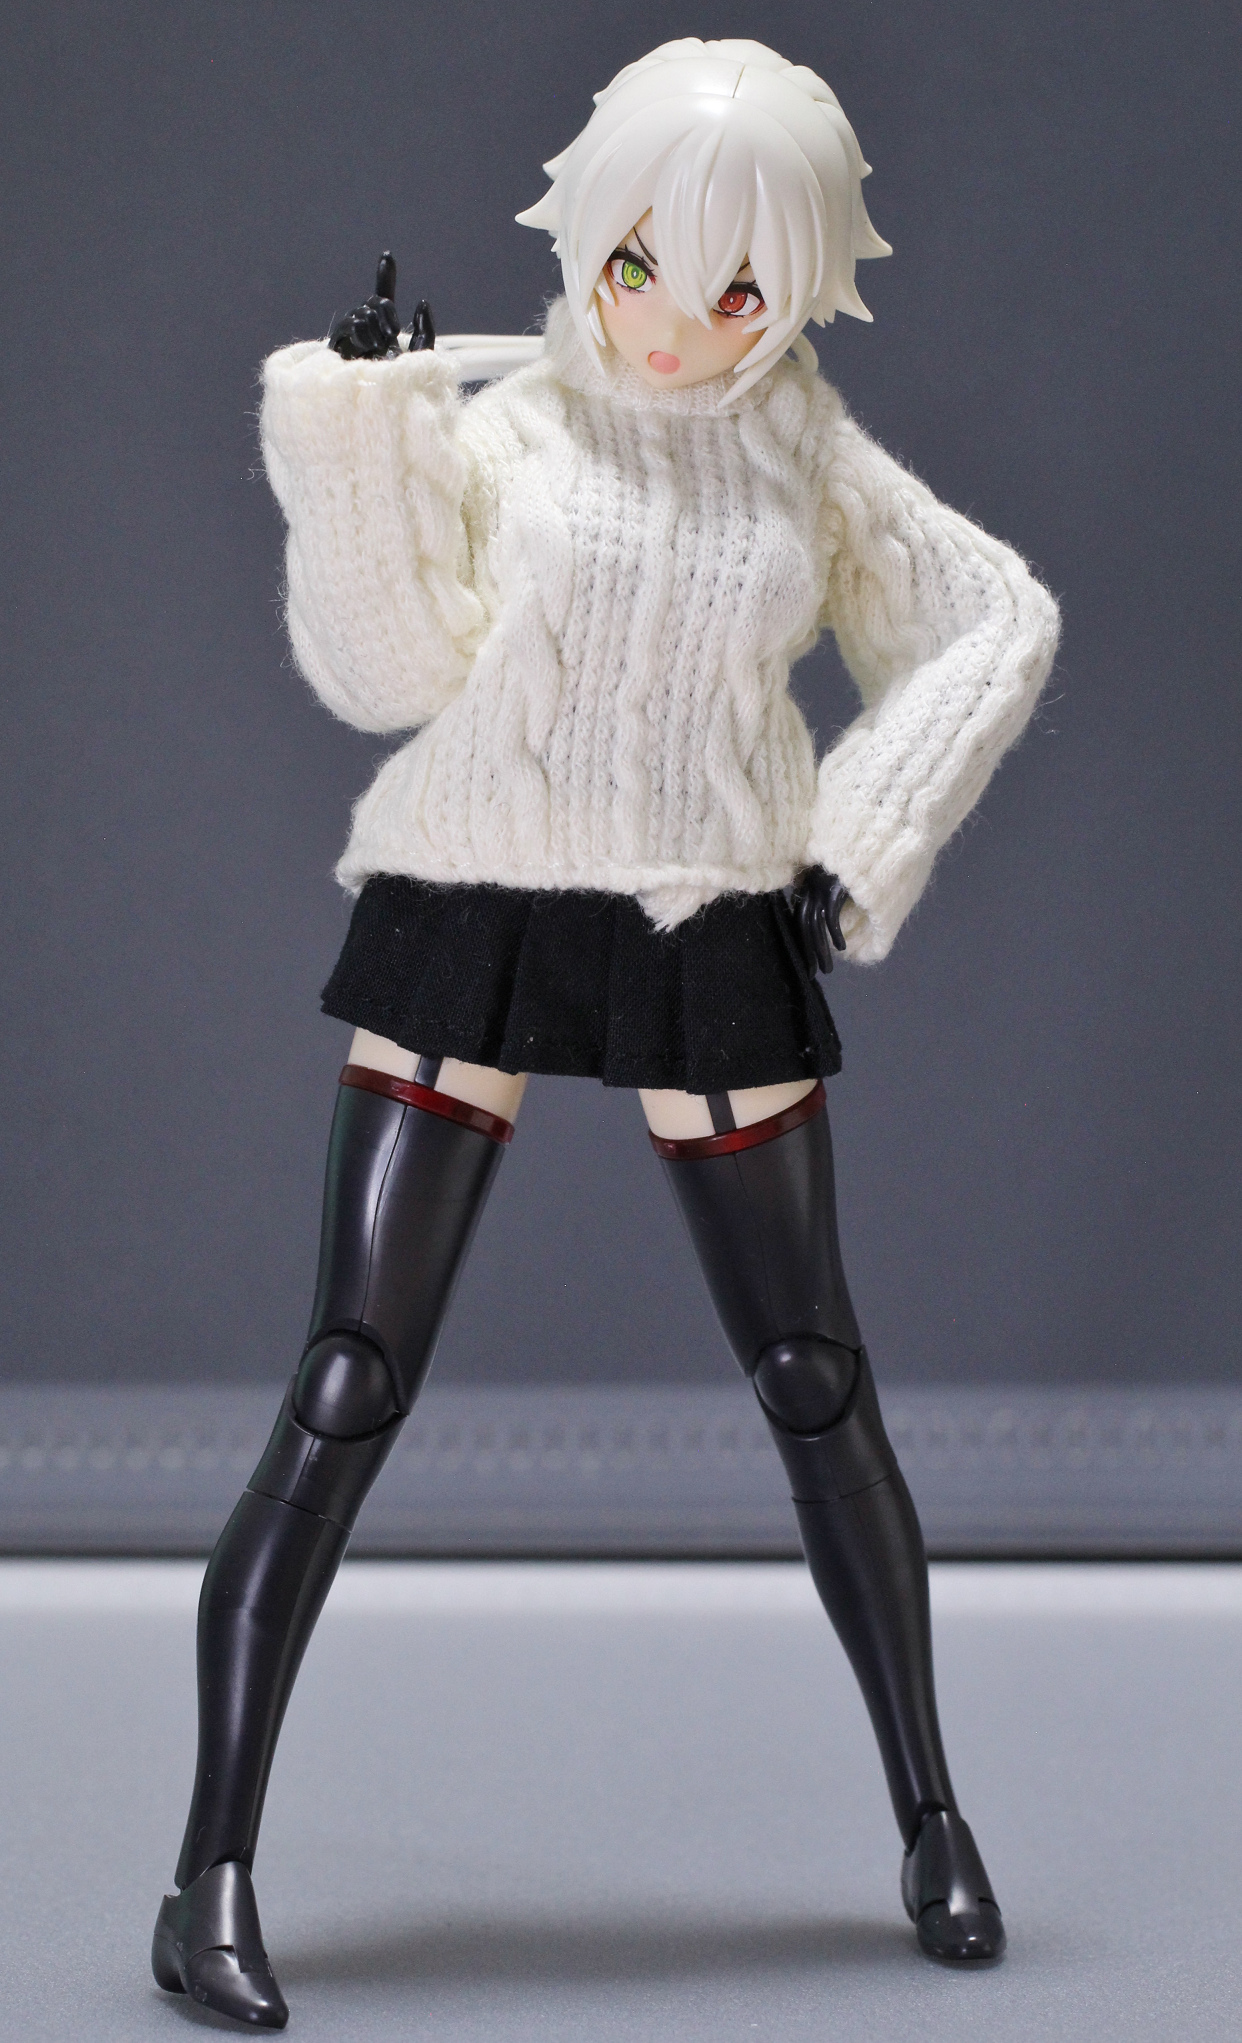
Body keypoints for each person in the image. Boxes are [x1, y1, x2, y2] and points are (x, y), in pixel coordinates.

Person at [152, 37, 1059, 2027]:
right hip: (472, 903)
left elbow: (994, 615)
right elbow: (382, 671)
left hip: (702, 918)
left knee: (814, 1376)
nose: (675, 326)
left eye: (742, 291)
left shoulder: (805, 452)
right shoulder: (513, 427)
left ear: (799, 295)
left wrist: (860, 837)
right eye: (643, 265)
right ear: (585, 235)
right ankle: (207, 1864)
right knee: (347, 1380)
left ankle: (930, 1813)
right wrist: (361, 433)